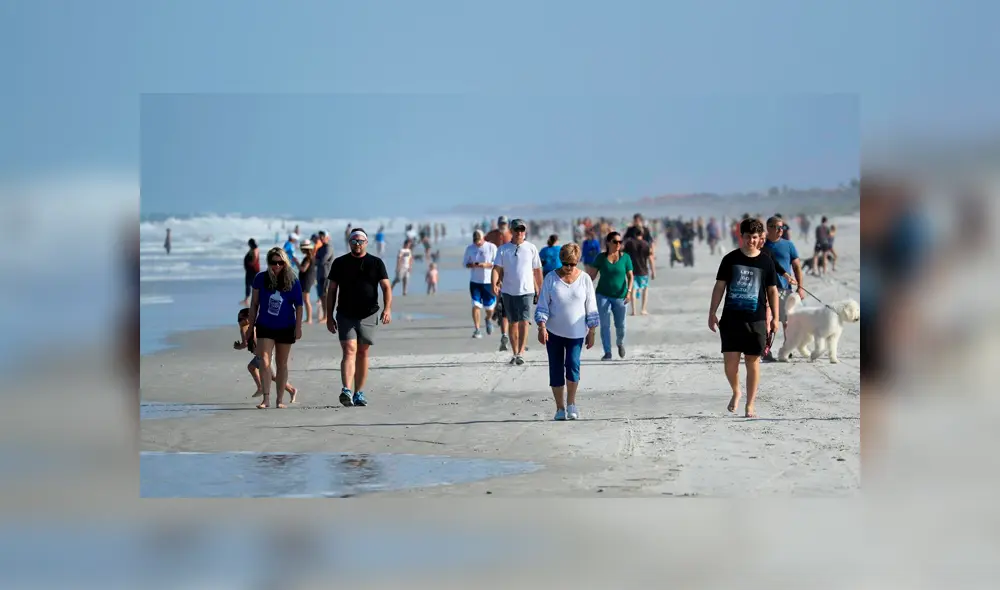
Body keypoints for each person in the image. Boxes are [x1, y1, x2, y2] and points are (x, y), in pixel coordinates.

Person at [708, 218, 780, 419]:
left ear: (759, 238)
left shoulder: (766, 261)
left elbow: (772, 291)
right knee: (730, 363)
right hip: (731, 319)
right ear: (741, 237)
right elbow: (719, 286)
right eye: (747, 236)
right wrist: (712, 312)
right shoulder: (730, 259)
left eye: (754, 237)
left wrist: (775, 317)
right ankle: (736, 391)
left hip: (756, 320)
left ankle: (750, 404)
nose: (751, 241)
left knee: (752, 361)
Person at [325, 228, 392, 407]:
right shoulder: (340, 263)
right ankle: (346, 390)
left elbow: (386, 287)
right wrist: (329, 316)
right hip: (345, 314)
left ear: (366, 243)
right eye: (354, 241)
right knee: (349, 350)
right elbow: (332, 290)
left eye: (360, 241)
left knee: (362, 352)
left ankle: (358, 393)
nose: (357, 244)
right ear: (349, 243)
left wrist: (387, 309)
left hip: (369, 314)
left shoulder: (376, 263)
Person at [534, 243, 599, 421]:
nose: (568, 267)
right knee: (555, 369)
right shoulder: (551, 278)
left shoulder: (585, 279)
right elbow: (543, 305)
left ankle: (571, 404)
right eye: (565, 264)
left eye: (572, 264)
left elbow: (591, 306)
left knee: (572, 366)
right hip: (553, 333)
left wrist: (592, 331)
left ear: (577, 261)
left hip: (576, 334)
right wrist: (541, 327)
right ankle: (559, 408)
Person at [245, 247, 304, 409]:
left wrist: (298, 327)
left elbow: (299, 306)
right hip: (265, 325)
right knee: (264, 360)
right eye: (273, 262)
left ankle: (280, 399)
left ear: (285, 263)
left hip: (286, 326)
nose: (277, 266)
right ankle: (266, 399)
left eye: (280, 262)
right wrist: (250, 327)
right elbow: (254, 304)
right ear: (268, 263)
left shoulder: (293, 280)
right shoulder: (260, 278)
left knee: (281, 363)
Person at [492, 218, 543, 365]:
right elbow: (497, 269)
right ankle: (515, 352)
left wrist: (540, 289)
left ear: (525, 231)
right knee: (513, 322)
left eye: (522, 229)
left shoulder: (531, 248)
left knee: (525, 321)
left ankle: (521, 352)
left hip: (527, 291)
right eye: (517, 229)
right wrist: (494, 283)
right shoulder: (503, 249)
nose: (519, 232)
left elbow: (537, 270)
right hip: (508, 291)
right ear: (511, 231)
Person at [761, 216, 806, 361]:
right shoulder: (762, 244)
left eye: (782, 227)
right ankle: (766, 350)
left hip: (785, 289)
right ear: (769, 228)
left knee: (787, 322)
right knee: (767, 320)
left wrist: (800, 287)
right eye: (777, 227)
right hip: (765, 289)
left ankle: (787, 348)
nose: (781, 230)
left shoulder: (788, 245)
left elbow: (797, 267)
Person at [586, 231, 633, 360]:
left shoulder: (625, 258)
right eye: (615, 242)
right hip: (603, 295)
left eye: (620, 242)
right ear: (608, 243)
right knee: (605, 325)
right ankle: (607, 352)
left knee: (621, 325)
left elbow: (630, 276)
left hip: (620, 296)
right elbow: (591, 276)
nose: (618, 244)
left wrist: (629, 292)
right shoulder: (600, 258)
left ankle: (620, 342)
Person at [235, 308, 297, 401]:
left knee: (273, 376)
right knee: (252, 367)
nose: (239, 322)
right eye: (238, 320)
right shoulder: (255, 326)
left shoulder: (244, 328)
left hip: (263, 355)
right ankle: (260, 387)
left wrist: (237, 346)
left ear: (247, 319)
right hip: (264, 353)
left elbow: (245, 344)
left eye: (240, 319)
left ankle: (291, 390)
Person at [485, 215, 513, 350]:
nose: (502, 225)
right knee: (501, 301)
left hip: (510, 271)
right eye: (501, 223)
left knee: (509, 303)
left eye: (504, 223)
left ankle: (512, 336)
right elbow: (483, 243)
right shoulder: (492, 234)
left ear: (507, 224)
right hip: (496, 270)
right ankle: (504, 334)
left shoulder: (511, 234)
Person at [463, 229, 498, 338]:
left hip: (488, 282)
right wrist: (472, 265)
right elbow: (465, 263)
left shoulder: (491, 247)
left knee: (489, 308)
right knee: (476, 305)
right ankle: (477, 329)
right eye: (475, 241)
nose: (477, 243)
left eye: (479, 240)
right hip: (475, 282)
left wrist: (485, 265)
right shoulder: (470, 248)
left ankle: (488, 319)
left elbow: (497, 263)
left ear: (483, 238)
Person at [623, 232, 652, 316]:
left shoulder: (629, 243)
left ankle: (634, 311)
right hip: (643, 271)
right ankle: (643, 309)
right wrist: (653, 270)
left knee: (633, 290)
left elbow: (623, 255)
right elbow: (650, 257)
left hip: (632, 271)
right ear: (642, 234)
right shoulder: (646, 244)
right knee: (645, 289)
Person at [313, 231, 334, 323]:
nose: (321, 238)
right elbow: (315, 261)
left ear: (327, 237)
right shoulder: (320, 248)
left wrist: (316, 260)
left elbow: (322, 260)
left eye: (323, 236)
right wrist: (317, 260)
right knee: (321, 296)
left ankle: (327, 316)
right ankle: (324, 316)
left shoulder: (329, 248)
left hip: (326, 275)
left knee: (326, 296)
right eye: (320, 236)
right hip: (319, 275)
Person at [297, 240, 317, 323]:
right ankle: (308, 318)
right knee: (305, 299)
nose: (301, 250)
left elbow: (303, 269)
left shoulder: (309, 258)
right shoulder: (310, 257)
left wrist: (296, 261)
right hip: (307, 279)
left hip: (307, 280)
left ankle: (309, 319)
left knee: (306, 300)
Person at [241, 238, 259, 306]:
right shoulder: (252, 249)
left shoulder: (255, 250)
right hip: (250, 270)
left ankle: (256, 300)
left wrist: (249, 264)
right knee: (248, 284)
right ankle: (247, 300)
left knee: (253, 285)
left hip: (253, 270)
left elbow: (254, 260)